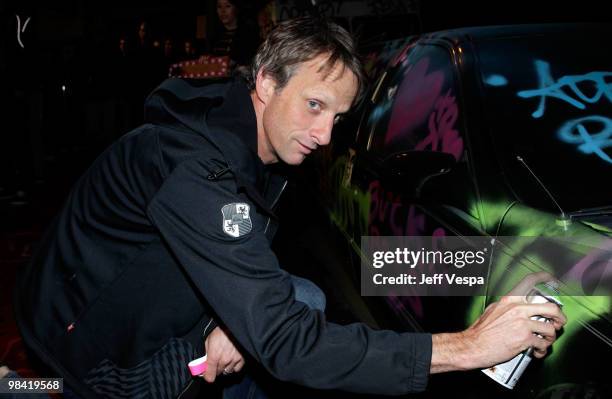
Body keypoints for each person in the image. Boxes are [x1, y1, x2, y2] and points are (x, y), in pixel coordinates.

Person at [14, 17, 566, 398]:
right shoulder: (196, 170)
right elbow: (284, 342)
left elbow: (257, 270)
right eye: (314, 105)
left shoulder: (254, 139)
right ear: (264, 81)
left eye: (338, 118)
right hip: (94, 354)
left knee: (301, 299)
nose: (327, 136)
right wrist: (469, 346)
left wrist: (238, 314)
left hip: (142, 307)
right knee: (291, 322)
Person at [209, 0, 260, 71]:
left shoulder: (247, 35)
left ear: (236, 8)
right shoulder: (214, 35)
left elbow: (251, 62)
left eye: (227, 6)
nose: (223, 11)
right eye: (219, 7)